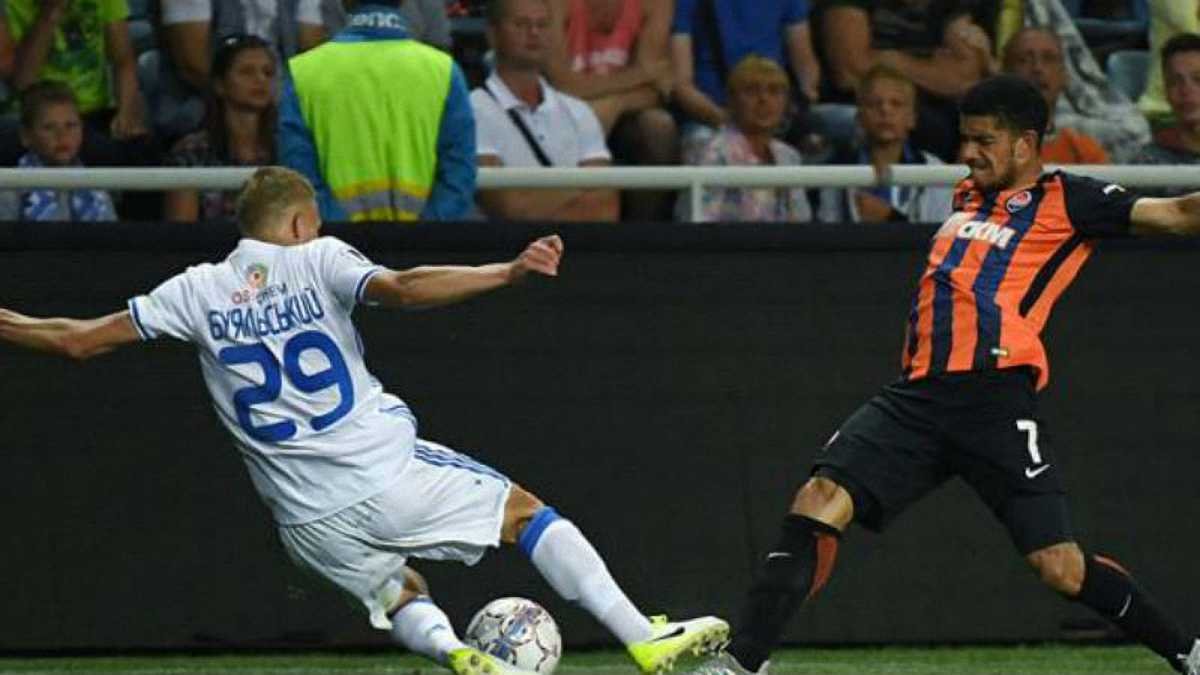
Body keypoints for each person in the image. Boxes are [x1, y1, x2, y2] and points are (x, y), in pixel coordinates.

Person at [0, 166, 729, 675]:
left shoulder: (195, 290)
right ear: (299, 222)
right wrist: (504, 272)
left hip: (303, 521)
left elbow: (76, 340)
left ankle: (457, 653)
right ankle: (642, 637)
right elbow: (404, 288)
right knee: (527, 514)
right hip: (382, 472)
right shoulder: (317, 258)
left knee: (400, 589)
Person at [688, 75, 1200, 675]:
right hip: (917, 397)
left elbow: (1176, 215)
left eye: (985, 141)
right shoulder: (965, 196)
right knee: (819, 499)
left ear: (1025, 143)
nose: (969, 153)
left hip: (993, 396)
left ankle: (1187, 653)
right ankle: (742, 663)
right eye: (966, 139)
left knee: (1059, 567)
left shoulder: (1070, 199)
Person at [280, 1, 475, 222]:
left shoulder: (302, 73)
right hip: (424, 239)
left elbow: (299, 176)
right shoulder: (445, 71)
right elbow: (458, 177)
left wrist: (338, 231)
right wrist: (426, 231)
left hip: (333, 237)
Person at [472, 0, 619, 222]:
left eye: (542, 25)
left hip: (577, 244)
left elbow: (606, 206)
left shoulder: (579, 111)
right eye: (521, 24)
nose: (534, 32)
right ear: (492, 34)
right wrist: (578, 188)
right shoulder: (471, 110)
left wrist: (533, 197)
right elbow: (508, 207)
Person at [544, 0, 678, 220]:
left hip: (622, 115)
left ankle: (646, 233)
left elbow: (654, 91)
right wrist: (639, 74)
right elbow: (562, 84)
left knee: (659, 127)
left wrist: (616, 105)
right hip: (559, 110)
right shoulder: (556, 4)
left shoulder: (655, 4)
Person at [812, 0, 993, 162]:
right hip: (856, 102)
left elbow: (964, 79)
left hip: (936, 109)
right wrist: (933, 68)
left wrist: (890, 59)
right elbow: (849, 72)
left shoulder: (952, 6)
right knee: (919, 123)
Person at [1, 0, 154, 166]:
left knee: (142, 149)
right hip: (34, 115)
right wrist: (50, 12)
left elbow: (123, 60)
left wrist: (126, 113)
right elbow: (23, 82)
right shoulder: (10, 4)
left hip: (93, 113)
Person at [670, 0, 822, 160]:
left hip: (778, 112)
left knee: (837, 122)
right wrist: (732, 122)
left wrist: (796, 106)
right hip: (712, 116)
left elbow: (806, 69)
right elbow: (682, 86)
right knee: (706, 147)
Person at [679, 56, 812, 223]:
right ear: (732, 101)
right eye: (751, 91)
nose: (763, 99)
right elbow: (699, 224)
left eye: (774, 91)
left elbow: (801, 222)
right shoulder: (712, 154)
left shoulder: (789, 157)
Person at [816, 64, 952, 224]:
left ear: (912, 118)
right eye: (874, 104)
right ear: (859, 117)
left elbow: (941, 233)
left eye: (896, 104)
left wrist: (890, 218)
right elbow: (827, 232)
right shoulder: (836, 170)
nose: (885, 110)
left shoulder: (937, 171)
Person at [164, 34, 277, 222]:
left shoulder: (286, 148)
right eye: (247, 72)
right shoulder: (191, 153)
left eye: (268, 73)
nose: (260, 79)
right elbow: (181, 232)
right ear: (220, 85)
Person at [0, 81, 116, 222]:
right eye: (49, 127)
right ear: (26, 136)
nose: (62, 135)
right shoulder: (10, 191)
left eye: (70, 125)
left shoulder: (97, 192)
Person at [1003, 26, 1109, 164]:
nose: (1037, 68)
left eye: (1049, 59)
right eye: (1024, 60)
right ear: (1004, 73)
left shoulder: (1084, 152)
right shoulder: (985, 148)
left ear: (1064, 75)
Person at [1133, 33, 1200, 172]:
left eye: (1198, 80)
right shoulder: (1148, 161)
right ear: (1165, 91)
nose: (1186, 90)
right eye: (1174, 81)